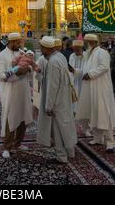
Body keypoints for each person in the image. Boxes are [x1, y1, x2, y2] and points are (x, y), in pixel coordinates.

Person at [36, 36, 77, 164]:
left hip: (57, 101)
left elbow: (52, 86)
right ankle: (70, 152)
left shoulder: (53, 62)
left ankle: (61, 156)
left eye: (42, 48)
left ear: (47, 48)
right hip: (64, 98)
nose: (41, 50)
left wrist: (49, 106)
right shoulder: (60, 57)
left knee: (58, 129)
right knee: (66, 125)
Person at [76, 33, 115, 152]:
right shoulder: (89, 54)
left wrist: (90, 75)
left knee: (104, 113)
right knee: (93, 112)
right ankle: (98, 138)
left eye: (88, 42)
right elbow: (85, 70)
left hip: (101, 88)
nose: (86, 44)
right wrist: (75, 71)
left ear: (93, 42)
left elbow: (104, 67)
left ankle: (110, 142)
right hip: (90, 88)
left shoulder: (102, 52)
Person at [0, 32, 33, 159]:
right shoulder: (1, 56)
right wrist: (19, 74)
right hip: (10, 92)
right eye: (17, 43)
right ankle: (7, 146)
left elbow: (31, 67)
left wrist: (28, 70)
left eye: (20, 42)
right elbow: (2, 76)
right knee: (10, 119)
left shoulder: (22, 53)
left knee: (23, 118)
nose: (19, 45)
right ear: (10, 42)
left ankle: (18, 143)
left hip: (24, 91)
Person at [69, 40, 86, 107]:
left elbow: (86, 70)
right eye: (74, 49)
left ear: (81, 48)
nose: (76, 51)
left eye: (77, 49)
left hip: (83, 81)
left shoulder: (86, 56)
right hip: (74, 81)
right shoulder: (72, 56)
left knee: (82, 100)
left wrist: (75, 70)